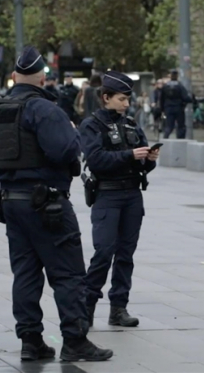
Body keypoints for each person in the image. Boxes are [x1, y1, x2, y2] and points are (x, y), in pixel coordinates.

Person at [0, 46, 112, 362]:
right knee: (68, 274)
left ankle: (31, 341)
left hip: (11, 203)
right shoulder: (45, 110)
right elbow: (65, 152)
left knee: (26, 273)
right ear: (43, 77)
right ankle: (74, 340)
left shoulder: (1, 109)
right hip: (47, 205)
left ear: (14, 76)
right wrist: (72, 135)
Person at [79, 71, 159, 329]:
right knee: (103, 252)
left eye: (127, 99)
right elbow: (96, 159)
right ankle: (87, 305)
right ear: (106, 97)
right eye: (122, 99)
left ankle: (119, 308)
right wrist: (129, 156)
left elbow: (141, 163)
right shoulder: (91, 126)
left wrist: (148, 160)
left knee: (126, 253)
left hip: (132, 195)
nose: (126, 104)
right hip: (107, 195)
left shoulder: (131, 124)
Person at [160, 69, 191, 139]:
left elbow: (162, 99)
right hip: (178, 108)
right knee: (181, 125)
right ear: (177, 76)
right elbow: (185, 97)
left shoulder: (165, 86)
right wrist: (191, 100)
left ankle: (165, 138)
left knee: (169, 126)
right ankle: (180, 140)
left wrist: (162, 109)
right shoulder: (180, 86)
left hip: (168, 108)